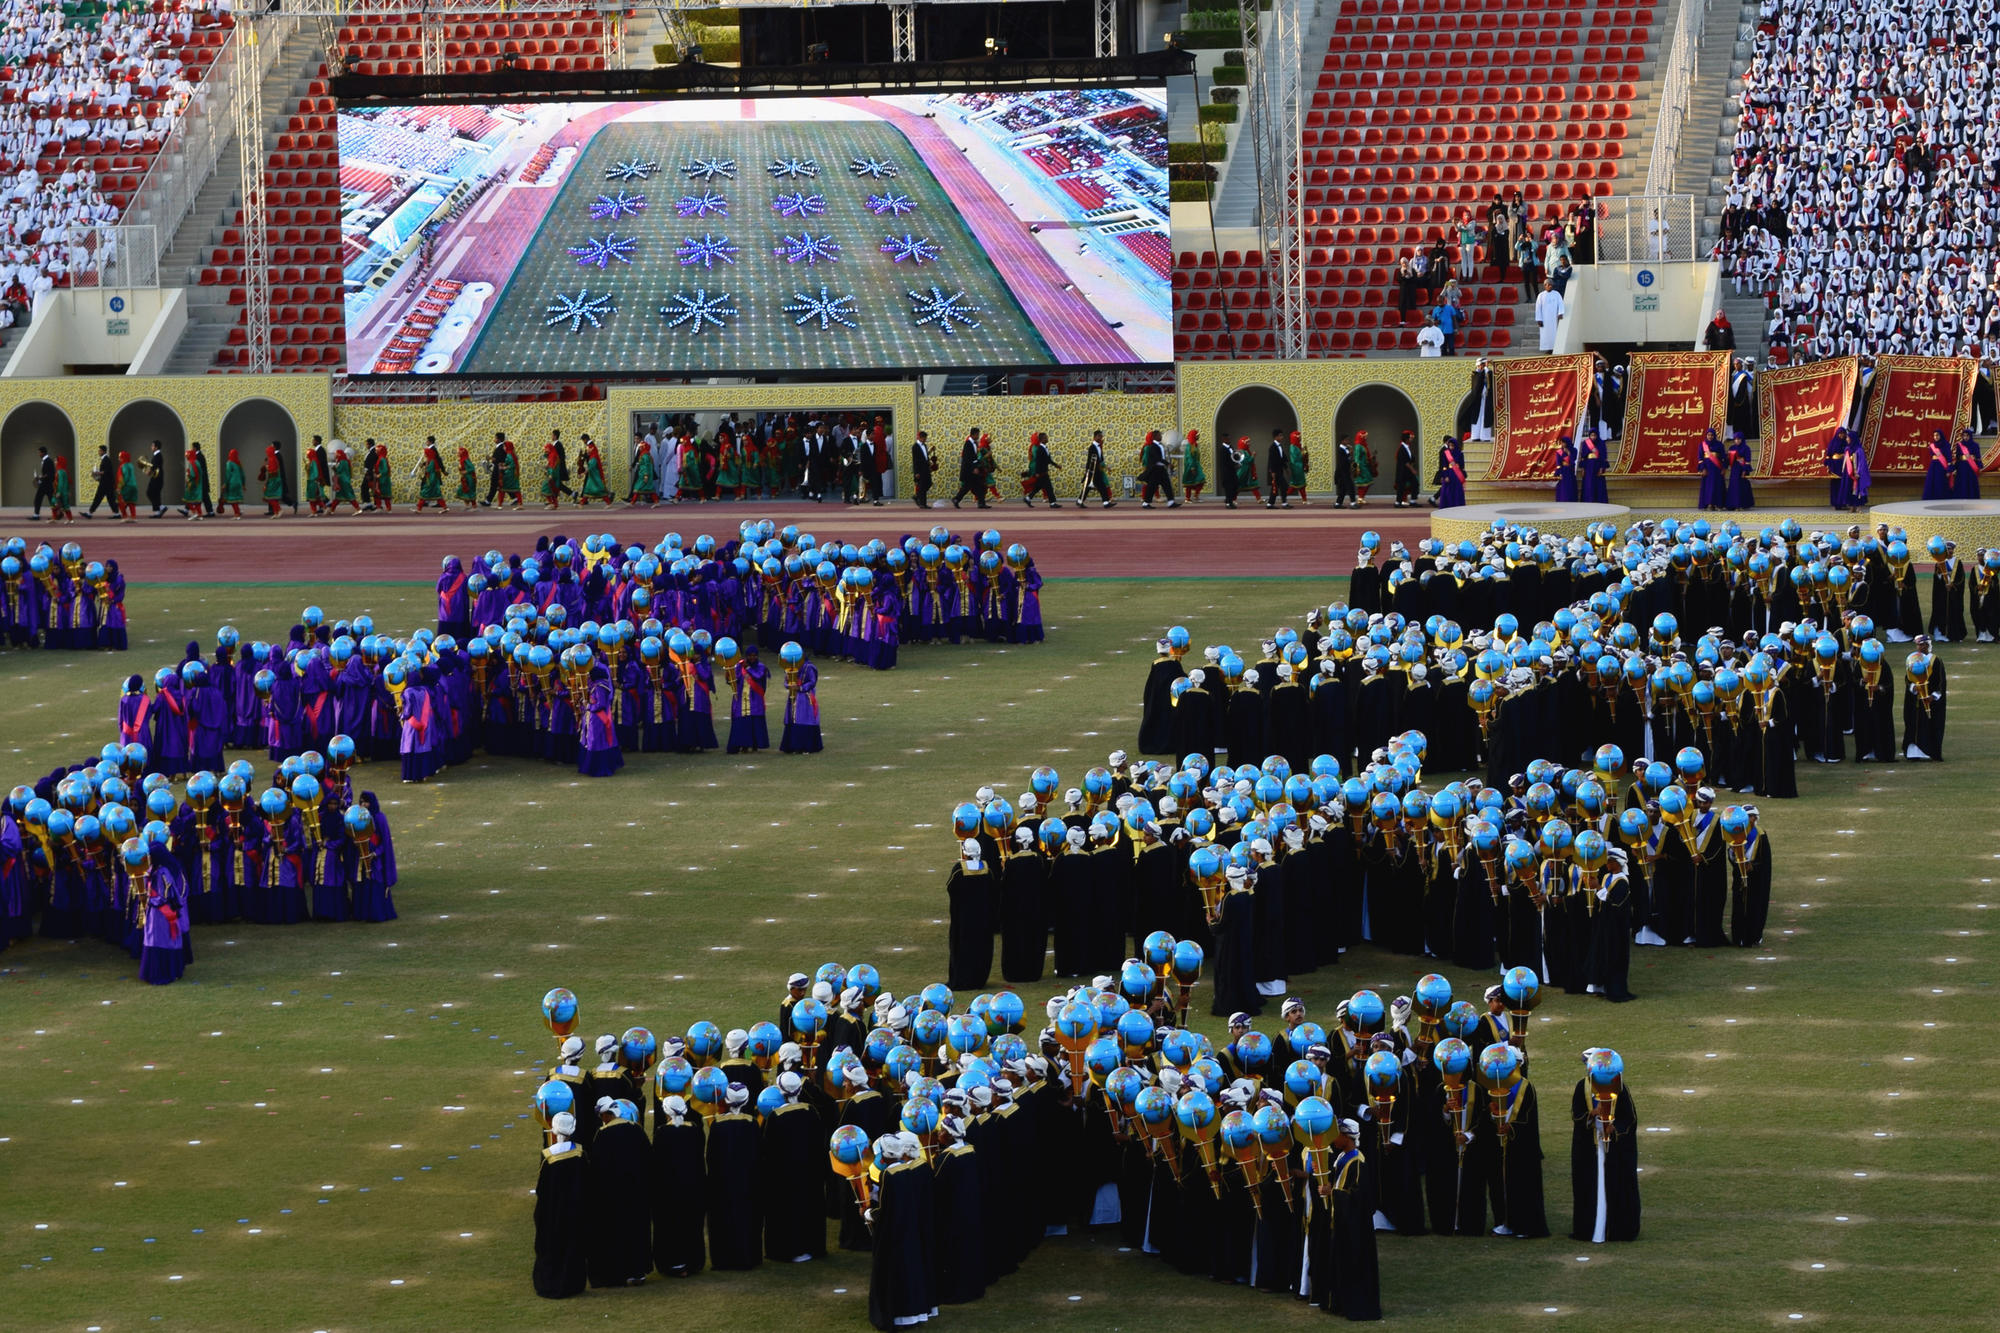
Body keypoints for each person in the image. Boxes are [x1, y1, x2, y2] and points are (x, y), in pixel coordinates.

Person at [866, 1132, 937, 1332]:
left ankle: (901, 1316)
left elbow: (886, 1209)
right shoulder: (908, 1171)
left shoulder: (888, 1175)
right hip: (910, 1229)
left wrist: (869, 1213)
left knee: (898, 1274)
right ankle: (915, 1314)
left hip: (895, 1233)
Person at [1569, 1050, 1640, 1244]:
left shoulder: (1620, 1088)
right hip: (1589, 1149)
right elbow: (1577, 1115)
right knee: (1589, 1188)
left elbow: (1630, 1118)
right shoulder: (1582, 1087)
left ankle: (1617, 1230)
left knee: (1616, 1187)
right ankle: (1589, 1229)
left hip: (1615, 1150)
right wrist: (1592, 1115)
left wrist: (1614, 1129)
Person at [587, 1099, 654, 1286]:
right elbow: (649, 1158)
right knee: (638, 1229)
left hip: (613, 1194)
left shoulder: (602, 1135)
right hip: (638, 1191)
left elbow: (597, 1168)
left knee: (616, 1232)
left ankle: (619, 1272)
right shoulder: (636, 1129)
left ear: (607, 1115)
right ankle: (638, 1270)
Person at [532, 1111, 588, 1299]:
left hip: (552, 1211)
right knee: (573, 1244)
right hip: (575, 1208)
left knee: (552, 1245)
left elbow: (542, 1188)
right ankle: (573, 1282)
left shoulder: (548, 1156)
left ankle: (552, 1282)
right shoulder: (580, 1152)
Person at [1140, 430, 1178, 508]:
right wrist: (1168, 464)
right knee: (1152, 486)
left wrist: (1166, 464)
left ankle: (1171, 502)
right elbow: (1158, 458)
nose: (1161, 437)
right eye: (1159, 435)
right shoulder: (1152, 447)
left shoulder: (1160, 445)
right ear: (1155, 437)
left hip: (1161, 469)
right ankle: (1146, 503)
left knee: (1167, 485)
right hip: (1155, 470)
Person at [1078, 429, 1115, 508]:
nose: (1100, 438)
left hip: (1097, 470)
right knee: (1091, 487)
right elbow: (1091, 460)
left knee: (1100, 486)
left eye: (1101, 436)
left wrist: (1105, 467)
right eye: (1099, 436)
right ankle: (1105, 502)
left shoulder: (1099, 447)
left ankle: (1105, 502)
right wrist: (1090, 470)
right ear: (1094, 437)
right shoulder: (1092, 447)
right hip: (1092, 470)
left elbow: (1101, 459)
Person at [951, 427, 987, 509]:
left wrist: (978, 464)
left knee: (978, 486)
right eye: (977, 434)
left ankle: (981, 503)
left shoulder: (974, 443)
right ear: (973, 434)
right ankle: (956, 499)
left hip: (972, 469)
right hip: (969, 471)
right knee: (969, 487)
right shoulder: (968, 444)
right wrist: (974, 468)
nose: (978, 436)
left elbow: (974, 457)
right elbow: (967, 458)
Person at [1020, 431, 1058, 508]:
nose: (1047, 438)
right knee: (1048, 487)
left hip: (1043, 471)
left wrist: (1056, 465)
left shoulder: (1044, 448)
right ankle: (1052, 503)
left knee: (1038, 487)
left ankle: (1028, 498)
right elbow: (1037, 461)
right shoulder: (1039, 449)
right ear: (1041, 439)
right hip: (1041, 472)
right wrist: (1037, 472)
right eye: (1045, 437)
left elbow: (1048, 459)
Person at [1433, 435, 1467, 508]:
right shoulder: (1446, 453)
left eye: (1452, 445)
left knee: (1457, 491)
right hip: (1449, 474)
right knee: (1448, 492)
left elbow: (1462, 465)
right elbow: (1444, 466)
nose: (1451, 447)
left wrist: (1463, 475)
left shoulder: (1460, 454)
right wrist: (1445, 475)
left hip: (1457, 475)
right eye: (1450, 445)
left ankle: (1457, 505)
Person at [85, 444, 116, 517]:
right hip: (107, 483)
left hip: (105, 483)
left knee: (98, 498)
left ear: (103, 451)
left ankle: (90, 513)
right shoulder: (105, 459)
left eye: (99, 451)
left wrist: (97, 472)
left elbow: (107, 471)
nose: (98, 452)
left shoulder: (106, 460)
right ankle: (117, 513)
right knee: (111, 499)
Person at [1534, 278, 1564, 352]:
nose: (1549, 286)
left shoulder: (1556, 294)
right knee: (1545, 334)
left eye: (1550, 285)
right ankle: (1547, 349)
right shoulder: (1541, 295)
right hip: (1544, 319)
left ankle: (1554, 348)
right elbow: (1538, 308)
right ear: (1544, 285)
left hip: (1554, 319)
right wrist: (1539, 319)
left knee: (1554, 334)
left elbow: (1561, 304)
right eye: (1547, 285)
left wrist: (1560, 313)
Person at [1264, 429, 1291, 509]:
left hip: (1280, 470)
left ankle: (1270, 504)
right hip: (1275, 471)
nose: (1282, 437)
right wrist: (1272, 472)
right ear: (1276, 437)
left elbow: (1282, 459)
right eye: (1280, 435)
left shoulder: (1280, 446)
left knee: (1276, 487)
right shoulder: (1272, 447)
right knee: (1283, 486)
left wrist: (1286, 468)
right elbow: (1271, 460)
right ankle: (1283, 503)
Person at [1393, 430, 1420, 507]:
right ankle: (1398, 502)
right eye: (1410, 438)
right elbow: (1405, 462)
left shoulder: (1407, 447)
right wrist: (1413, 470)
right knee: (1401, 486)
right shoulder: (1401, 448)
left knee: (1415, 483)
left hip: (1407, 471)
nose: (1411, 439)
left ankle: (1413, 500)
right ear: (1406, 439)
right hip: (1403, 471)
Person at [909, 429, 933, 508]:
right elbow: (915, 460)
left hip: (926, 469)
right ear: (920, 438)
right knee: (922, 486)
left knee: (929, 483)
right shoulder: (915, 447)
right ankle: (923, 503)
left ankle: (917, 496)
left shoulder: (925, 446)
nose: (925, 439)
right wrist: (916, 472)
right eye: (924, 438)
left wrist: (929, 463)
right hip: (920, 470)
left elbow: (925, 456)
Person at [218, 447, 245, 519]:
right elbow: (243, 475)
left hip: (232, 483)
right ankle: (238, 512)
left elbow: (228, 475)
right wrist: (243, 484)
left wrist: (225, 484)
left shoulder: (229, 463)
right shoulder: (238, 463)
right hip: (238, 483)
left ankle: (237, 514)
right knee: (236, 498)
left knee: (232, 499)